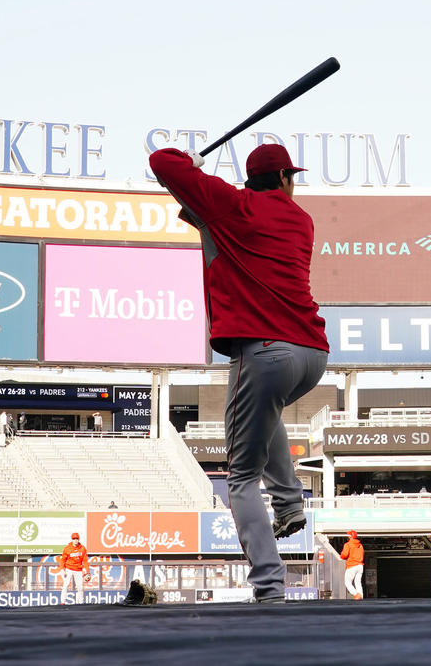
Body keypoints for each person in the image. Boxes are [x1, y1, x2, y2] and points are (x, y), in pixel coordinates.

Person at [150, 143, 329, 604]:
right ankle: (289, 503)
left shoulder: (232, 205)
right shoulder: (300, 220)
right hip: (311, 354)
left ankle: (269, 587)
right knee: (263, 416)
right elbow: (212, 223)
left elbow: (162, 163)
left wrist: (190, 164)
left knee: (241, 479)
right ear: (286, 178)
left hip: (264, 351)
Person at [58, 532, 89, 605]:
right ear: (72, 539)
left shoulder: (82, 548)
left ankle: (81, 602)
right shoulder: (67, 548)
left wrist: (87, 571)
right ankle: (63, 602)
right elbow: (63, 560)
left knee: (80, 587)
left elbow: (85, 561)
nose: (75, 540)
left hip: (78, 570)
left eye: (76, 539)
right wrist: (62, 569)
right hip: (69, 569)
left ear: (79, 539)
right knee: (66, 585)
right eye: (74, 539)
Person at [341, 530, 364, 600]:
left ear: (350, 537)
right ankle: (361, 596)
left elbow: (344, 555)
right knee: (358, 582)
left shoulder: (347, 544)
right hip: (360, 566)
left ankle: (356, 594)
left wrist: (341, 556)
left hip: (352, 566)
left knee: (347, 582)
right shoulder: (360, 545)